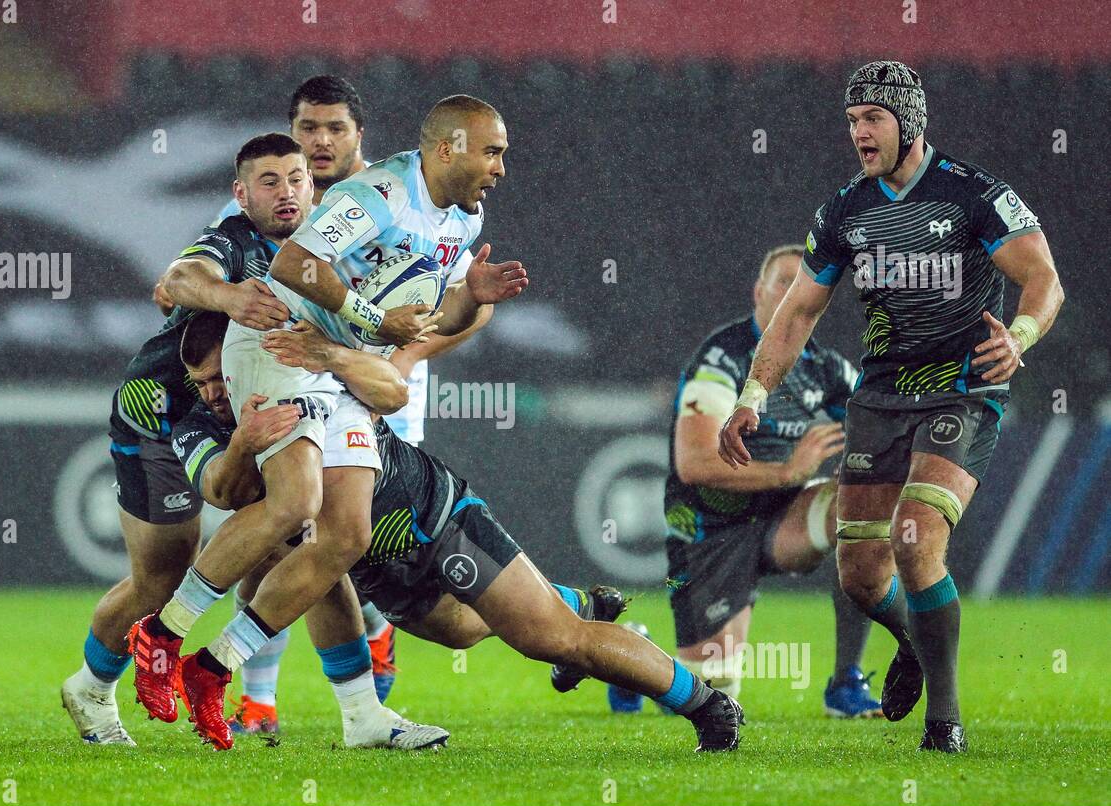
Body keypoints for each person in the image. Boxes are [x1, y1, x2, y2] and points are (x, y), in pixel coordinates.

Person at [127, 95, 527, 750]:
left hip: (342, 367)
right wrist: (372, 320)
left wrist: (468, 302)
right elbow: (291, 264)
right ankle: (163, 635)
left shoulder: (461, 220)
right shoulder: (378, 196)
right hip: (284, 344)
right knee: (295, 503)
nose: (501, 168)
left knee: (345, 535)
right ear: (449, 147)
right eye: (493, 151)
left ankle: (214, 666)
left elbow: (435, 316)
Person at [169, 323, 745, 752]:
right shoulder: (205, 423)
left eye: (225, 376)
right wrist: (243, 442)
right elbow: (224, 493)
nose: (218, 392)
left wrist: (217, 655)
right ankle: (576, 601)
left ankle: (709, 705)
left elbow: (392, 385)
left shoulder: (304, 385)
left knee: (553, 639)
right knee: (464, 631)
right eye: (205, 384)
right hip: (375, 564)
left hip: (437, 521)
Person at [718, 61, 1064, 752]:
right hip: (879, 398)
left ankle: (946, 721)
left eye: (872, 118)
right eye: (851, 121)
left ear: (910, 121)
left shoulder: (974, 196)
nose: (859, 133)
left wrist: (1020, 337)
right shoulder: (846, 209)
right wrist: (752, 394)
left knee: (914, 538)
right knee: (860, 572)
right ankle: (915, 637)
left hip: (961, 389)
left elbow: (1043, 278)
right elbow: (796, 316)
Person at [60, 132, 312, 746]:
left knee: (291, 539)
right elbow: (180, 275)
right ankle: (90, 686)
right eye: (269, 181)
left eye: (296, 179)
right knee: (160, 581)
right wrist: (228, 298)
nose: (286, 192)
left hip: (249, 412)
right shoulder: (235, 241)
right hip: (163, 415)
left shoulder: (329, 242)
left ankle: (250, 695)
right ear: (241, 194)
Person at [612, 245, 882, 718]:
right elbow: (694, 463)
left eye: (804, 285)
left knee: (859, 506)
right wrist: (789, 471)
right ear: (758, 292)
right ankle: (627, 653)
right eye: (783, 281)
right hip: (710, 529)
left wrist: (868, 462)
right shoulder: (722, 358)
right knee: (711, 695)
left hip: (779, 522)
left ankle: (846, 684)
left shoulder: (826, 367)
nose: (792, 292)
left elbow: (881, 427)